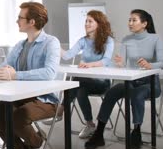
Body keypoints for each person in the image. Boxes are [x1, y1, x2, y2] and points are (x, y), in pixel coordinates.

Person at [0, 2, 60, 149]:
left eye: (20, 18)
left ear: (32, 22)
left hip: (46, 100)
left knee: (19, 116)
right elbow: (5, 67)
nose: (17, 21)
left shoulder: (51, 42)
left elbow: (49, 73)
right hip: (21, 97)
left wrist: (15, 75)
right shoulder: (19, 45)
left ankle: (36, 141)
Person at [85, 9, 163, 149]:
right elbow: (122, 64)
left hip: (150, 84)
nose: (130, 23)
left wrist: (150, 65)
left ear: (144, 23)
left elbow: (162, 63)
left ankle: (136, 131)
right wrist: (120, 63)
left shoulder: (156, 38)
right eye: (129, 20)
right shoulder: (126, 40)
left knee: (137, 94)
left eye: (134, 20)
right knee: (111, 93)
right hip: (131, 81)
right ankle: (98, 134)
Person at [47, 10, 114, 139]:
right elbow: (67, 55)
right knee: (79, 89)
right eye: (86, 21)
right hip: (85, 82)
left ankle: (59, 111)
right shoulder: (83, 40)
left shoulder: (108, 40)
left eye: (90, 21)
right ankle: (90, 124)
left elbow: (106, 60)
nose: (86, 24)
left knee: (75, 80)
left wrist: (90, 64)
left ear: (99, 24)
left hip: (102, 82)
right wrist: (54, 44)